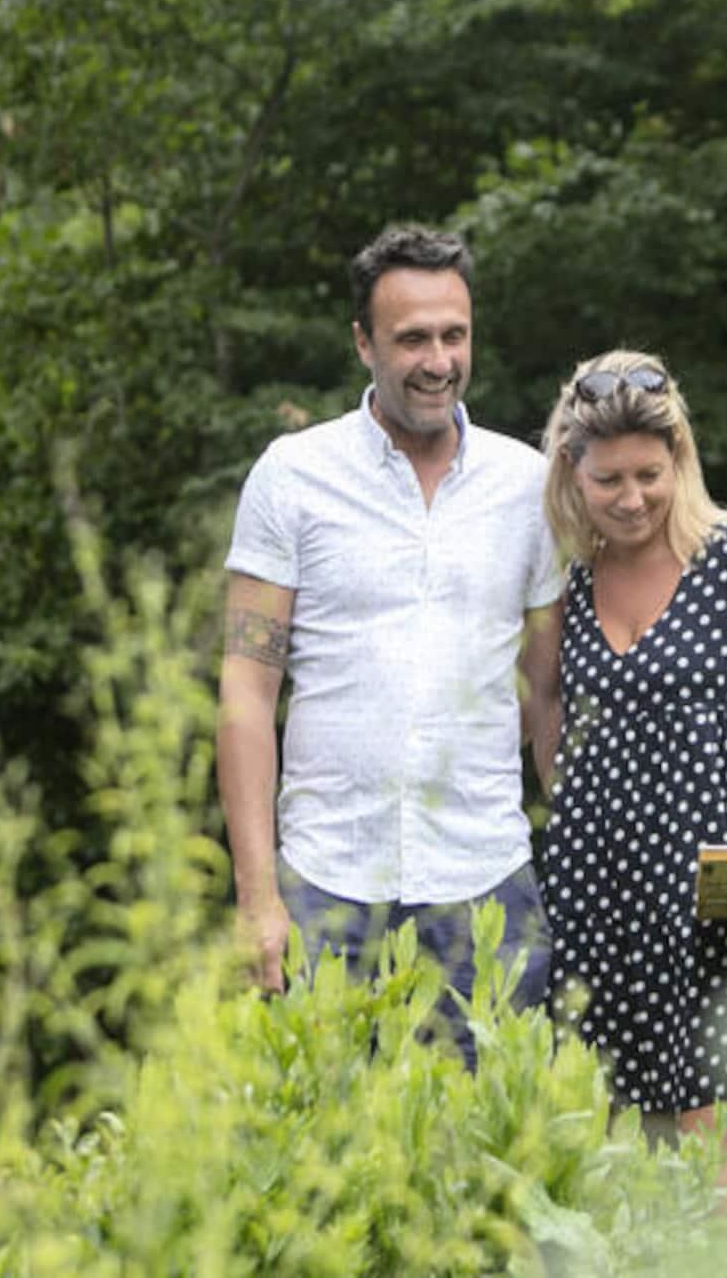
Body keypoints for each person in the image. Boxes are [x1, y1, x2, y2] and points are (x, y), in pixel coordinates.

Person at [215, 225, 562, 1067]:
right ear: (363, 343)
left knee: (488, 1138)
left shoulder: (528, 487)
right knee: (317, 1138)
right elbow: (246, 693)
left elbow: (546, 693)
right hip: (324, 886)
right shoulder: (293, 476)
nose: (438, 360)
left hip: (485, 886)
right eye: (412, 339)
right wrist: (257, 896)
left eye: (454, 335)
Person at [528, 349, 727, 1203]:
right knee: (611, 1166)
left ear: (679, 463)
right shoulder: (566, 586)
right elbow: (541, 705)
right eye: (609, 479)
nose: (631, 498)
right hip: (602, 900)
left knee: (721, 1172)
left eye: (649, 476)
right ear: (573, 473)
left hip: (719, 898)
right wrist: (572, 808)